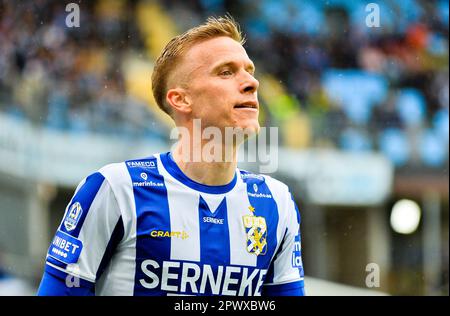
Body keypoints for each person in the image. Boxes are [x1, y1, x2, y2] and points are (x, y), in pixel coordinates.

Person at [37, 16, 305, 296]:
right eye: (226, 72)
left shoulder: (277, 202)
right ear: (181, 99)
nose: (252, 83)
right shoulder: (117, 189)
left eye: (249, 71)